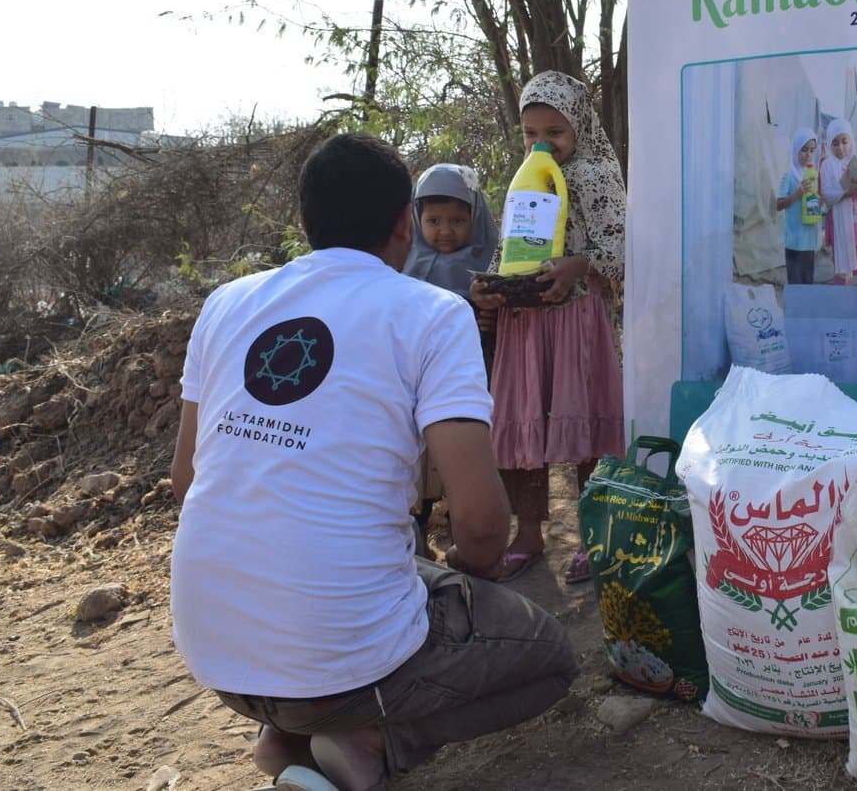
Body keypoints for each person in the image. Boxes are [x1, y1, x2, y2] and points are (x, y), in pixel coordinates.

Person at [170, 133, 575, 791]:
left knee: (385, 568)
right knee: (551, 659)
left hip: (215, 657)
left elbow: (187, 481)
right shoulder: (433, 314)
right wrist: (469, 580)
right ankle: (369, 739)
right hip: (342, 664)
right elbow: (478, 524)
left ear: (305, 222)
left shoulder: (226, 304)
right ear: (402, 225)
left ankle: (289, 735)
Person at [470, 71, 626, 585]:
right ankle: (530, 534)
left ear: (580, 126)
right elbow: (509, 247)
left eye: (554, 133)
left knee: (583, 433)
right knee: (523, 429)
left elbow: (623, 248)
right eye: (530, 134)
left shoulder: (597, 175)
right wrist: (491, 286)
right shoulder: (526, 178)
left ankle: (594, 536)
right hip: (526, 322)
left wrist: (577, 265)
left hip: (577, 321)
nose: (542, 145)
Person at [402, 162, 500, 558]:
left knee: (467, 465)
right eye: (434, 220)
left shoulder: (490, 263)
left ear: (475, 219)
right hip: (417, 382)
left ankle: (468, 542)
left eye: (458, 220)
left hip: (468, 382)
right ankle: (419, 537)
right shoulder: (406, 265)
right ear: (415, 219)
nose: (445, 230)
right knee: (421, 464)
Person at [819, 117, 857, 285]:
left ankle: (855, 303)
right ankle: (841, 302)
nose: (840, 148)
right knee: (841, 270)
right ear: (829, 144)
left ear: (851, 140)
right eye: (835, 143)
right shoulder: (827, 165)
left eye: (844, 141)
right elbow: (827, 194)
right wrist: (847, 192)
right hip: (838, 225)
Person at [774, 127, 822, 285]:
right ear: (796, 150)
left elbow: (815, 200)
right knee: (795, 285)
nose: (808, 155)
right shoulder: (789, 176)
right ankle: (795, 311)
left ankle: (806, 311)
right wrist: (797, 193)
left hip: (810, 240)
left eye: (812, 150)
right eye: (804, 150)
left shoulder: (813, 174)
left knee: (808, 283)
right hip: (794, 241)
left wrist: (818, 201)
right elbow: (779, 205)